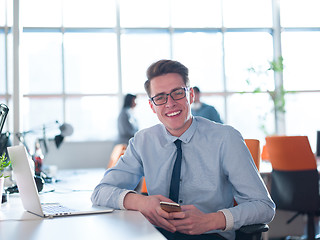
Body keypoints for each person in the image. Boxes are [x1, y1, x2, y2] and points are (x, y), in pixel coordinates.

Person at [92, 60, 275, 240]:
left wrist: (211, 220)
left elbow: (264, 206)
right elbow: (101, 192)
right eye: (160, 97)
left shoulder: (226, 138)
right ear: (152, 106)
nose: (170, 103)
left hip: (210, 234)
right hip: (156, 234)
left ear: (191, 96)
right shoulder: (143, 141)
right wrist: (143, 202)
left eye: (177, 93)